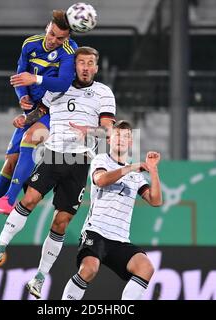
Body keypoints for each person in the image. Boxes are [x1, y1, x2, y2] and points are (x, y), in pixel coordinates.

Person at [0, 47, 117, 300]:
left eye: (90, 63)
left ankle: (40, 277)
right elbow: (40, 111)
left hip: (80, 161)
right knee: (29, 200)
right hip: (53, 154)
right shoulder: (58, 88)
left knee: (61, 222)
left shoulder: (103, 93)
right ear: (74, 65)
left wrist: (91, 131)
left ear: (97, 68)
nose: (86, 67)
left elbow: (109, 130)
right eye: (81, 62)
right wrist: (26, 120)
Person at [0, 9, 78, 247]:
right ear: (48, 26)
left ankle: (9, 199)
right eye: (52, 34)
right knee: (9, 164)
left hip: (53, 112)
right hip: (33, 110)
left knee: (30, 136)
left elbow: (64, 83)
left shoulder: (69, 52)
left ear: (66, 38)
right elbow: (19, 77)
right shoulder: (30, 44)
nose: (53, 40)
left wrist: (34, 81)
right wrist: (22, 98)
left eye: (60, 38)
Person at [62, 120, 163, 300]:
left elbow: (155, 201)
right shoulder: (101, 160)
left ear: (131, 142)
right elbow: (101, 180)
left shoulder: (136, 175)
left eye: (126, 137)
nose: (121, 140)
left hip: (120, 239)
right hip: (96, 232)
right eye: (117, 135)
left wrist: (153, 170)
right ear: (109, 139)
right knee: (89, 269)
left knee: (145, 267)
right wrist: (130, 167)